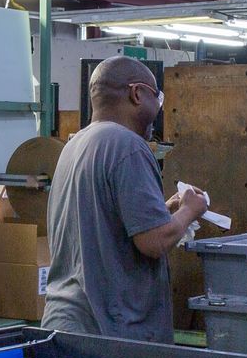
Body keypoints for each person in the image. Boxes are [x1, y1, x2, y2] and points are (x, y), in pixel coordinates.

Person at [41, 57, 208, 343]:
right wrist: (191, 210)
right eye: (157, 97)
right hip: (110, 332)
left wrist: (163, 212)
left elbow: (104, 222)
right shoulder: (127, 146)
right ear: (137, 94)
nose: (158, 108)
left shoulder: (75, 144)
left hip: (66, 320)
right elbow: (154, 242)